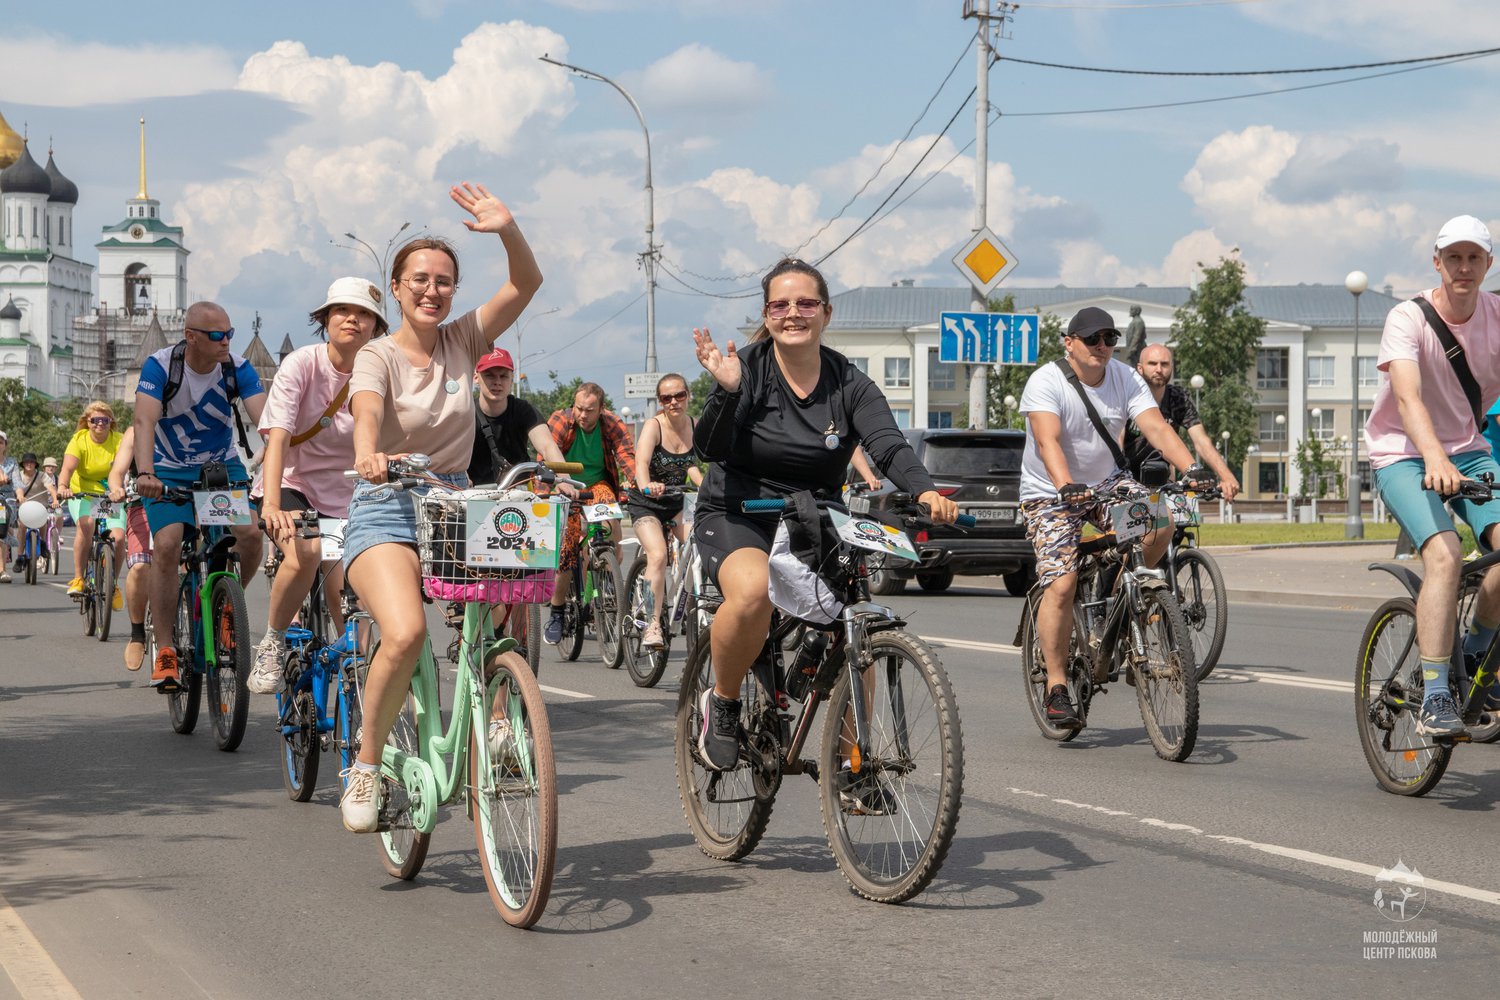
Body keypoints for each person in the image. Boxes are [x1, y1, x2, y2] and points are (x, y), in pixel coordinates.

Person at [690, 257, 959, 770]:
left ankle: (851, 769)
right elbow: (710, 447)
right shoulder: (745, 369)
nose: (793, 313)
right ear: (766, 316)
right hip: (740, 506)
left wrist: (924, 492)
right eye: (780, 304)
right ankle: (722, 701)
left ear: (826, 313)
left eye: (805, 303)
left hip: (814, 512)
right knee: (751, 596)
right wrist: (726, 393)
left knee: (855, 626)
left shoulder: (849, 384)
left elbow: (887, 443)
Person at [342, 183, 541, 834]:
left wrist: (507, 228)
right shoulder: (376, 354)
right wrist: (370, 452)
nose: (433, 290)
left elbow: (527, 281)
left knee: (507, 611)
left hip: (454, 504)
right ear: (396, 289)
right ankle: (367, 764)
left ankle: (502, 715)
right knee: (404, 634)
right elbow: (367, 410)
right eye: (420, 280)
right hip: (385, 503)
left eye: (445, 281)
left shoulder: (464, 339)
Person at [1019, 306, 1212, 730]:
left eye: (1110, 339)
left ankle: (1132, 599)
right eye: (1093, 339)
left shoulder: (1125, 377)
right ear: (1069, 343)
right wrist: (1066, 484)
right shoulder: (1046, 381)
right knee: (1063, 583)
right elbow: (1047, 439)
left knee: (1161, 518)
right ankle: (1056, 686)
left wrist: (1191, 468)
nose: (1103, 347)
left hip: (1107, 483)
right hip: (1051, 492)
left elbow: (1158, 429)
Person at [1367, 215, 1500, 738]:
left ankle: (1473, 658)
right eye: (1454, 257)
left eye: (1474, 258)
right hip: (1402, 452)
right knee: (1443, 553)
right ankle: (1436, 695)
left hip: (1468, 451)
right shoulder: (1408, 318)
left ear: (1488, 264)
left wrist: (1453, 455)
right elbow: (1407, 396)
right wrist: (1433, 458)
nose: (1463, 267)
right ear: (1437, 261)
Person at [247, 277, 386, 695]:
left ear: (377, 327)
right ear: (325, 319)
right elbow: (278, 438)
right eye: (343, 311)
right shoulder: (302, 364)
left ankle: (358, 685)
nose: (353, 320)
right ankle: (272, 641)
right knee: (305, 551)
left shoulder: (381, 369)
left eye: (365, 314)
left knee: (352, 587)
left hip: (353, 495)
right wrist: (272, 503)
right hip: (294, 484)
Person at [134, 301, 267, 689]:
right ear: (190, 337)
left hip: (218, 468)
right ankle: (165, 649)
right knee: (168, 543)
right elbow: (144, 421)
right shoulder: (161, 367)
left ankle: (228, 607)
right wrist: (145, 472)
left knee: (251, 534)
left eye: (230, 333)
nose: (225, 341)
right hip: (165, 469)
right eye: (216, 335)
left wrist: (274, 447)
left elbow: (268, 420)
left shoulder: (237, 368)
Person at [542, 382, 636, 645]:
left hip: (597, 486)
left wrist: (640, 481)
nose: (583, 415)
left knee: (610, 523)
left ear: (601, 409)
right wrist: (552, 487)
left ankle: (608, 569)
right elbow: (546, 456)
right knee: (568, 549)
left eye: (590, 410)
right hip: (566, 486)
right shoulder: (561, 420)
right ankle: (558, 610)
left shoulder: (611, 423)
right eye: (579, 408)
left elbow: (626, 455)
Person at [622, 372, 703, 650]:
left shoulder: (695, 425)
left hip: (677, 501)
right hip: (647, 502)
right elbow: (641, 463)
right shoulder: (653, 426)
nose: (673, 402)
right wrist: (646, 486)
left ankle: (700, 605)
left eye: (679, 395)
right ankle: (652, 623)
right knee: (658, 555)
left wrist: (707, 486)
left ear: (688, 396)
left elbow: (691, 466)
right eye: (666, 398)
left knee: (701, 546)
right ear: (660, 401)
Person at [1124, 344, 1241, 500]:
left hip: (1161, 478)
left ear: (1172, 367)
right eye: (1152, 364)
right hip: (1125, 477)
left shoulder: (1178, 398)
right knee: (1124, 523)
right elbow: (1116, 438)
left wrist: (1226, 477)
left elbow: (1201, 441)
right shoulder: (1128, 396)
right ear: (1140, 368)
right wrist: (1116, 477)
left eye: (1164, 364)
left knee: (1171, 522)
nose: (1159, 369)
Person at [57, 402, 127, 607]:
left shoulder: (119, 440)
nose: (99, 424)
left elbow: (129, 466)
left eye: (104, 420)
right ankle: (79, 578)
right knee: (85, 525)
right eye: (94, 420)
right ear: (87, 422)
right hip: (82, 493)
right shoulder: (79, 440)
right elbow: (67, 470)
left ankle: (113, 585)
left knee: (120, 538)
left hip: (110, 495)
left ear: (110, 422)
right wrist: (63, 486)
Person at [468, 346, 569, 484]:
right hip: (472, 496)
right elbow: (451, 453)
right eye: (489, 375)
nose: (497, 382)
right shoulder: (465, 412)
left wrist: (564, 479)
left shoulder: (523, 410)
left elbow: (547, 446)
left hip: (518, 494)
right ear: (476, 378)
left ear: (511, 379)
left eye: (503, 376)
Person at [106, 426, 154, 671]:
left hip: (190, 500)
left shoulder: (199, 418)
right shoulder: (136, 432)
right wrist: (116, 487)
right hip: (142, 503)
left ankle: (222, 615)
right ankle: (137, 635)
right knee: (140, 567)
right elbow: (118, 471)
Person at [13, 452, 59, 569]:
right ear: (23, 464)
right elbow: (18, 489)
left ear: (35, 464)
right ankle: (19, 556)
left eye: (32, 462)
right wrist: (20, 497)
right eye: (26, 462)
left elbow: (51, 488)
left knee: (43, 521)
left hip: (40, 507)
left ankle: (43, 544)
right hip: (25, 507)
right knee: (22, 526)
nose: (29, 464)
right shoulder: (19, 475)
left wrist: (55, 500)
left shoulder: (42, 475)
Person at [0, 431, 17, 582]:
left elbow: (17, 483)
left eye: (0, 442)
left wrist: (22, 495)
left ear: (5, 445)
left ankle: (2, 570)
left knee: (2, 527)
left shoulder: (12, 463)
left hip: (6, 500)